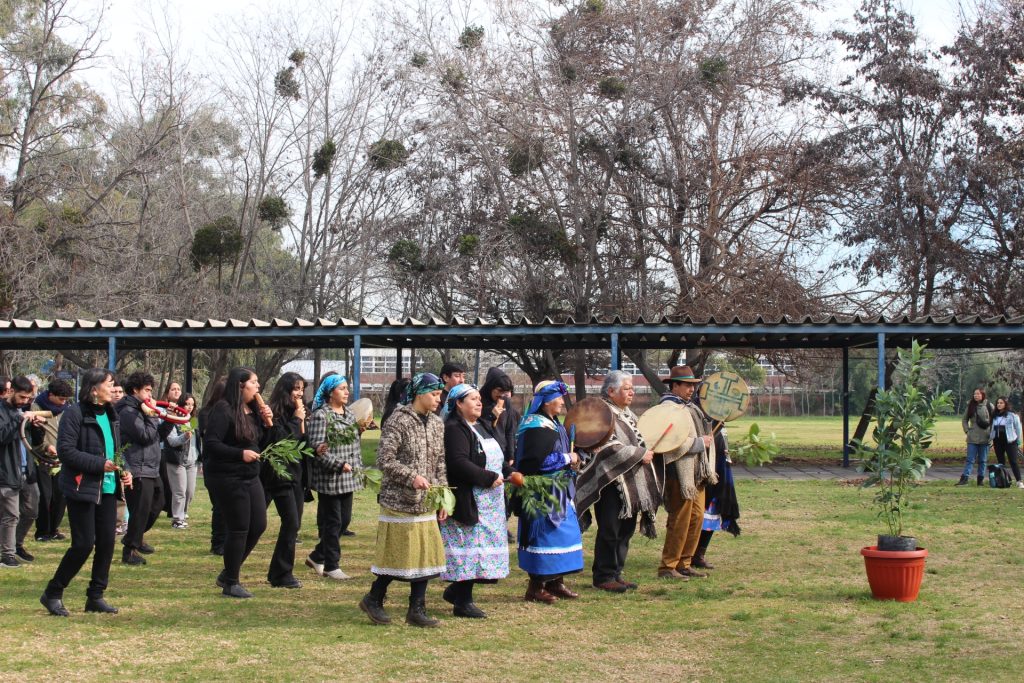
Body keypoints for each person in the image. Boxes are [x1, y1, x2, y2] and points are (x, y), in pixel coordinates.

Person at [40, 368, 132, 616]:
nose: (113, 389)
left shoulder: (111, 414)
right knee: (83, 544)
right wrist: (99, 464)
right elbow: (66, 451)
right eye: (109, 384)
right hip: (82, 487)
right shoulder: (75, 413)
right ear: (94, 389)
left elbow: (117, 450)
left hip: (108, 488)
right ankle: (53, 592)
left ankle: (95, 596)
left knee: (106, 543)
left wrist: (125, 470)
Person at [359, 373, 447, 628]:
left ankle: (416, 609)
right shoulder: (398, 420)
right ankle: (374, 598)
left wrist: (442, 496)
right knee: (397, 554)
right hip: (399, 501)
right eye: (434, 394)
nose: (438, 399)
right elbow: (385, 460)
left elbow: (440, 462)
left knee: (424, 554)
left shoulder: (437, 423)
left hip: (426, 501)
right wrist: (412, 477)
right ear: (419, 394)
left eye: (440, 395)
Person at [575, 370, 661, 592]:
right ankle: (603, 576)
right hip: (609, 482)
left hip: (630, 484)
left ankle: (616, 572)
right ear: (611, 391)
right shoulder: (601, 413)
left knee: (625, 529)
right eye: (627, 388)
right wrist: (639, 454)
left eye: (632, 388)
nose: (632, 392)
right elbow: (606, 447)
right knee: (610, 530)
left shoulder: (627, 414)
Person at [439, 383, 509, 618]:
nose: (480, 402)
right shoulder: (454, 429)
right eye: (473, 399)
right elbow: (458, 463)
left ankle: (455, 592)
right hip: (469, 498)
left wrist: (510, 472)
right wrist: (488, 478)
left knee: (480, 551)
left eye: (479, 398)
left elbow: (495, 459)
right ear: (459, 403)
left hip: (490, 502)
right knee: (469, 550)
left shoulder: (481, 426)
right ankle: (463, 603)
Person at [202, 367, 274, 598]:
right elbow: (211, 443)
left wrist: (267, 424)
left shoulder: (252, 410)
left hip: (250, 475)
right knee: (239, 527)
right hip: (228, 476)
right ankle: (231, 582)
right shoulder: (223, 409)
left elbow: (260, 443)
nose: (258, 386)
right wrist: (239, 454)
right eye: (254, 382)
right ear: (240, 385)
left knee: (258, 524)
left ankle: (227, 573)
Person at [513, 380, 584, 604]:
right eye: (558, 398)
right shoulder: (535, 426)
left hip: (560, 489)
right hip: (542, 492)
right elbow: (536, 461)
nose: (562, 402)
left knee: (564, 535)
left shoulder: (553, 423)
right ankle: (535, 587)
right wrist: (567, 457)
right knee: (544, 538)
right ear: (545, 401)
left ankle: (556, 583)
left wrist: (575, 460)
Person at [657, 365, 717, 580]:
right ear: (674, 386)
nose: (691, 389)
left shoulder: (689, 407)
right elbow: (667, 442)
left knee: (697, 516)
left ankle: (684, 563)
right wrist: (699, 443)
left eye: (693, 385)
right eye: (687, 385)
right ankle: (668, 566)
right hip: (678, 472)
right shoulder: (667, 408)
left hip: (696, 472)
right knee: (680, 518)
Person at [306, 374, 363, 581]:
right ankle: (331, 565)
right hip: (330, 478)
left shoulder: (350, 414)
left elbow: (352, 445)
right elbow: (316, 448)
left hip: (348, 477)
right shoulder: (321, 415)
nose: (347, 392)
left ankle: (316, 556)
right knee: (333, 522)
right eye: (342, 388)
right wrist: (338, 464)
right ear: (331, 393)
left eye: (347, 388)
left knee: (344, 521)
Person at [263, 372, 307, 588]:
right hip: (279, 475)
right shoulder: (274, 413)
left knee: (294, 524)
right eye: (296, 389)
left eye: (302, 389)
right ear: (285, 390)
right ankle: (281, 574)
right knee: (290, 522)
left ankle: (278, 573)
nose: (300, 394)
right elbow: (281, 441)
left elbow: (303, 442)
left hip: (297, 475)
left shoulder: (299, 412)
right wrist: (297, 419)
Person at [116, 372, 165, 565]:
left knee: (158, 502)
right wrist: (152, 416)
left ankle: (136, 536)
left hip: (151, 466)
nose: (150, 394)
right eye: (147, 390)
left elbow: (156, 436)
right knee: (140, 510)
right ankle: (130, 550)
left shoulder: (142, 409)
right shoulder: (128, 412)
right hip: (137, 466)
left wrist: (168, 422)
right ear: (135, 390)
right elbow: (144, 436)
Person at [0, 376, 45, 568]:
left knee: (31, 510)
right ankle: (6, 554)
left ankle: (16, 545)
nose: (25, 401)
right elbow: (3, 436)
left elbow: (34, 442)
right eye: (22, 397)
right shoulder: (4, 412)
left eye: (28, 398)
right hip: (7, 471)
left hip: (28, 471)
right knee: (11, 515)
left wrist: (36, 427)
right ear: (11, 391)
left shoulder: (23, 411)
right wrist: (19, 419)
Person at [693, 416, 740, 569]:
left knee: (712, 514)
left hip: (719, 468)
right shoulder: (697, 414)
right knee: (696, 515)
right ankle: (687, 554)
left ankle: (699, 554)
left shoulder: (719, 420)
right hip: (701, 470)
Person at [31, 380, 74, 544]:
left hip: (61, 460)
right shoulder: (36, 408)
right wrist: (46, 447)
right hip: (41, 459)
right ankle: (42, 531)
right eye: (61, 399)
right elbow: (32, 434)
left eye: (66, 400)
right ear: (51, 395)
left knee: (60, 497)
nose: (63, 403)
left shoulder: (66, 410)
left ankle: (54, 529)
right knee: (45, 497)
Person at [198, 378, 227, 555]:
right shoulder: (206, 413)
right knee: (219, 505)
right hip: (213, 464)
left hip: (227, 465)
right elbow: (209, 437)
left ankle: (225, 540)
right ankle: (217, 543)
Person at [164, 393, 198, 529]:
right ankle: (177, 519)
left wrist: (199, 458)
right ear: (181, 405)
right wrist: (185, 436)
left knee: (190, 492)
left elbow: (197, 442)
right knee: (179, 491)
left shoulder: (193, 420)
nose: (190, 407)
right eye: (187, 404)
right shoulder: (174, 420)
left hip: (192, 461)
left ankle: (183, 513)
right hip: (177, 460)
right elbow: (172, 441)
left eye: (192, 404)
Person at [958, 388, 993, 486]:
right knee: (970, 460)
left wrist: (992, 433)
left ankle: (980, 480)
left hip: (985, 437)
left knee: (983, 460)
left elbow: (995, 419)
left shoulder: (989, 405)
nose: (976, 396)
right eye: (975, 394)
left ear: (982, 395)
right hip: (972, 437)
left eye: (978, 394)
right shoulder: (970, 405)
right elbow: (964, 420)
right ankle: (965, 479)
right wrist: (967, 431)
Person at [991, 397, 1024, 489]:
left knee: (1013, 461)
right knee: (1001, 462)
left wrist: (1018, 440)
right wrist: (991, 438)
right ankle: (1003, 481)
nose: (999, 404)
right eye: (998, 403)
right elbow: (992, 429)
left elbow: (1018, 428)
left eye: (1001, 403)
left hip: (1010, 441)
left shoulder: (1012, 415)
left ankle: (1019, 481)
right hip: (997, 441)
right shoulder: (995, 415)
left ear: (1005, 404)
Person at [109, 379, 128, 536]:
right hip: (108, 456)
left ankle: (120, 522)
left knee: (122, 490)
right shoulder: (105, 411)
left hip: (123, 454)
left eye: (120, 392)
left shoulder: (127, 411)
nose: (117, 394)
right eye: (114, 391)